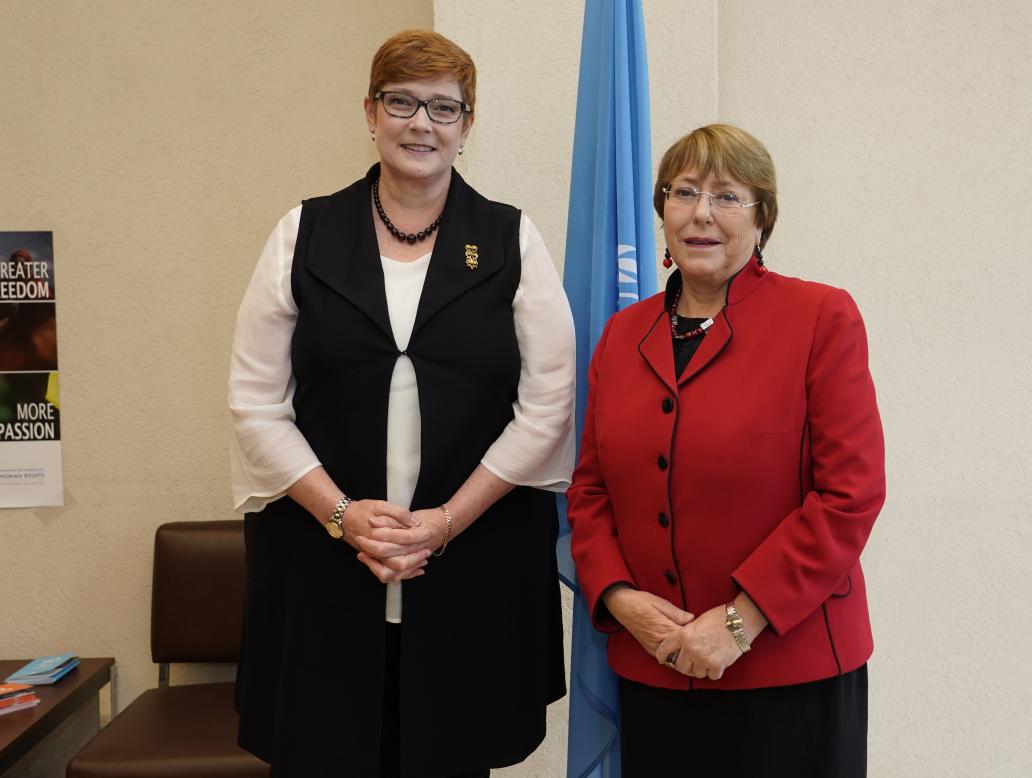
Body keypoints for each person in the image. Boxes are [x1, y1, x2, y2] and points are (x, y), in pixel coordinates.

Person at [229, 30, 575, 778]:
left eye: (444, 108)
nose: (422, 123)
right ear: (371, 112)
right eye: (403, 102)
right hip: (323, 574)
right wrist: (341, 514)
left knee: (451, 756)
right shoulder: (304, 233)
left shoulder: (512, 239)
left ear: (467, 125)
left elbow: (548, 407)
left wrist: (444, 523)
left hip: (471, 571)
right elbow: (256, 403)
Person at [567, 124, 885, 776]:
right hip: (657, 665)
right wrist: (619, 597)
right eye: (683, 192)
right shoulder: (623, 336)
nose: (701, 213)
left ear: (763, 217)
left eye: (727, 196)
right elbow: (591, 490)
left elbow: (848, 496)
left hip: (788, 674)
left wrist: (739, 624)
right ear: (662, 212)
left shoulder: (821, 318)